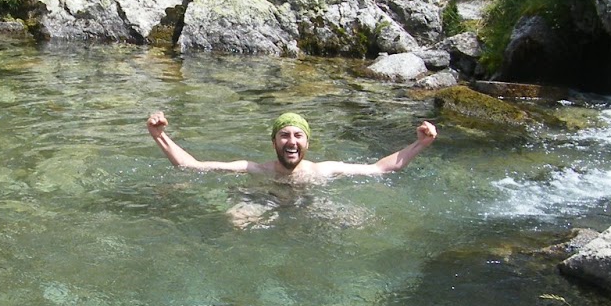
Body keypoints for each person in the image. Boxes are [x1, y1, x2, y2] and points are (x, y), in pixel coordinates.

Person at [145, 110, 437, 185]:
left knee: (356, 220)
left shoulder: (325, 171)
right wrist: (158, 135)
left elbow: (380, 169)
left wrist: (420, 144)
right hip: (268, 201)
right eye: (284, 135)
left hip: (310, 205)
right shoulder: (254, 170)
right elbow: (191, 166)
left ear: (308, 142)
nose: (291, 141)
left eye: (298, 135)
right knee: (236, 220)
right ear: (273, 142)